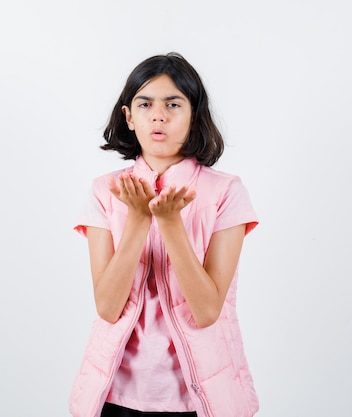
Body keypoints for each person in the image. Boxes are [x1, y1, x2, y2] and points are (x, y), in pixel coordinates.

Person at [69, 52, 259, 417]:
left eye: (174, 104)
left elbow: (205, 311)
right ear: (128, 116)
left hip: (200, 400)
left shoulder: (226, 192)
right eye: (145, 104)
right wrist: (138, 221)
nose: (158, 115)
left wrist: (171, 224)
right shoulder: (103, 191)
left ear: (194, 115)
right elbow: (107, 307)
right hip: (115, 398)